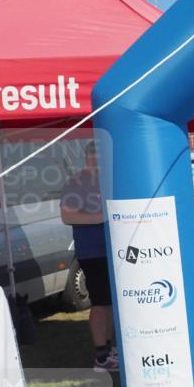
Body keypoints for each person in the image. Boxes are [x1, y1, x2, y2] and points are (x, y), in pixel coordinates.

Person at [60, 141, 117, 373]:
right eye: (95, 156)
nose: (99, 161)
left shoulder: (110, 180)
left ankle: (110, 350)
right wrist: (103, 217)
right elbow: (67, 216)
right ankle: (101, 358)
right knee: (101, 304)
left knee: (112, 303)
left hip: (114, 251)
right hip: (93, 252)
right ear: (88, 157)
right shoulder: (76, 183)